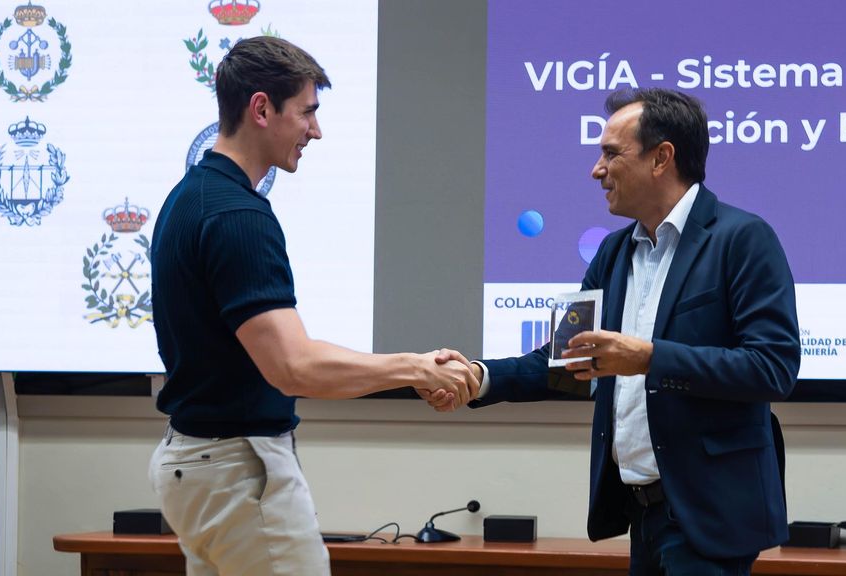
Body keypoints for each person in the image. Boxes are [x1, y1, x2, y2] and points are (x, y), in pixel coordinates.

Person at [432, 88, 800, 576]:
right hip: (639, 512)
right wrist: (479, 376)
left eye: (610, 153)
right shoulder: (613, 253)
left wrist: (649, 357)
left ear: (661, 158)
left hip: (710, 514)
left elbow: (773, 368)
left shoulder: (741, 238)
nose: (596, 169)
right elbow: (565, 362)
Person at [148, 37, 477, 576]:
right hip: (236, 469)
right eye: (307, 113)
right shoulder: (237, 215)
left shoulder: (189, 198)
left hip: (197, 465)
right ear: (261, 109)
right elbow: (292, 367)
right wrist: (414, 367)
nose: (315, 131)